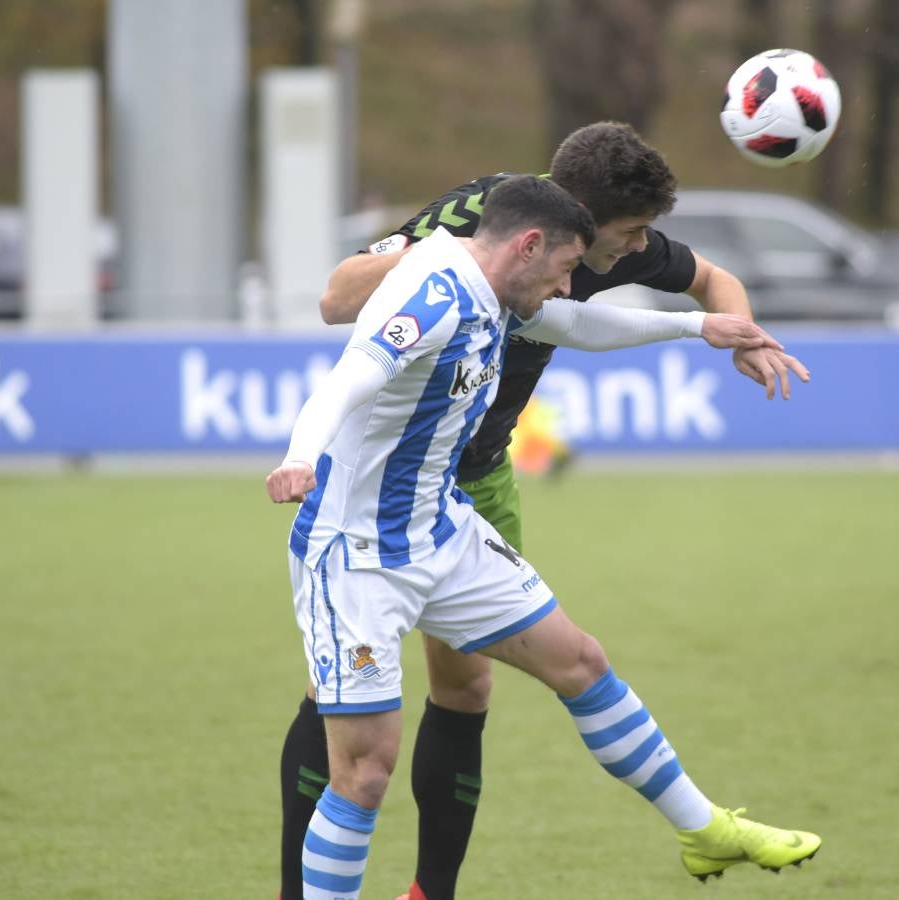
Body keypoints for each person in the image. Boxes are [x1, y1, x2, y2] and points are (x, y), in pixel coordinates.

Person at [278, 122, 810, 900]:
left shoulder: (515, 282)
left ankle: (705, 831)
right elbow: (349, 371)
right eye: (570, 266)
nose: (576, 281)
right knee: (362, 766)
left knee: (575, 664)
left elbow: (577, 322)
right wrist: (298, 456)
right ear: (532, 243)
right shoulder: (438, 282)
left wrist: (702, 326)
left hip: (446, 515)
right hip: (359, 544)